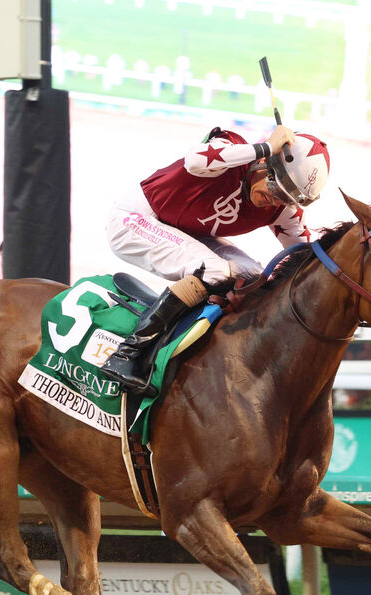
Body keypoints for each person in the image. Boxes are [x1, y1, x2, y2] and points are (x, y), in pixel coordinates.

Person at [100, 124, 331, 394]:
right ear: (263, 163)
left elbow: (306, 257)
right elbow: (195, 159)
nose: (273, 201)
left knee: (255, 278)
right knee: (213, 270)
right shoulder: (232, 148)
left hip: (186, 232)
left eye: (285, 197)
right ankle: (127, 354)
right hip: (136, 219)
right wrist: (266, 146)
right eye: (274, 187)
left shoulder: (281, 208)